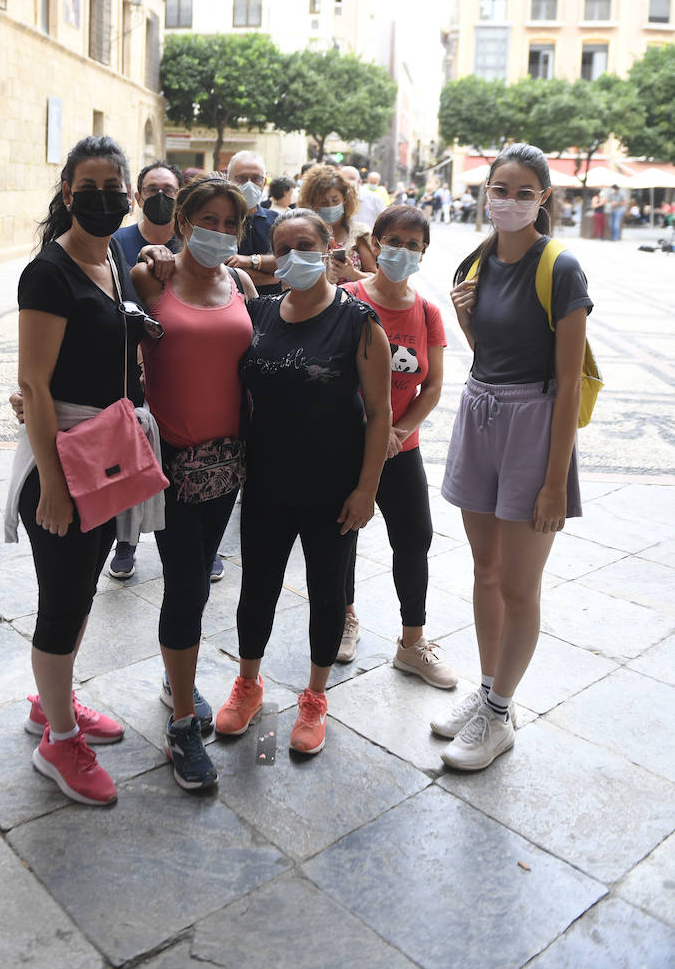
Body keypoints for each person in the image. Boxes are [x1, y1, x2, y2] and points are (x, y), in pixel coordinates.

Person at [4, 136, 164, 806]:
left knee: (82, 589)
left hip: (105, 453)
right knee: (63, 599)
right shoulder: (50, 272)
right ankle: (58, 742)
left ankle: (53, 703)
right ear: (67, 192)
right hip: (64, 462)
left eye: (114, 185)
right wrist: (55, 490)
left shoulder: (114, 259)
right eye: (88, 186)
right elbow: (34, 387)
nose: (104, 197)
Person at [435, 143, 592, 771]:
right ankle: (489, 690)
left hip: (534, 427)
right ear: (485, 191)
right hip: (481, 415)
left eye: (524, 192)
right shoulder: (474, 263)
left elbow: (570, 380)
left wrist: (554, 484)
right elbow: (490, 354)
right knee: (485, 571)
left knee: (521, 587)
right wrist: (467, 324)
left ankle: (499, 716)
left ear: (543, 199)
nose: (509, 201)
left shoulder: (561, 266)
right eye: (501, 189)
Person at [215, 209, 391, 756]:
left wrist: (366, 490)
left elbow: (381, 414)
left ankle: (315, 696)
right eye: (283, 248)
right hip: (267, 480)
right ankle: (248, 681)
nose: (294, 257)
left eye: (305, 245)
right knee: (257, 587)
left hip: (333, 487)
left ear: (329, 245)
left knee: (326, 592)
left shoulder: (359, 324)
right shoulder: (259, 312)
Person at [131, 176, 257, 789]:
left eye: (230, 223)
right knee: (184, 587)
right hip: (172, 464)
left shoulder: (240, 283)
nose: (219, 232)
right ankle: (182, 723)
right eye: (207, 219)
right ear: (180, 222)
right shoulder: (151, 278)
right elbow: (114, 347)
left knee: (203, 581)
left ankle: (172, 676)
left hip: (228, 464)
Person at [337, 206, 457, 685]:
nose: (402, 251)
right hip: (347, 445)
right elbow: (333, 377)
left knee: (414, 540)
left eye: (413, 244)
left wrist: (396, 432)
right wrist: (372, 429)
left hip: (401, 450)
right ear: (376, 243)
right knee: (342, 536)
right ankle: (344, 618)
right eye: (395, 240)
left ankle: (412, 642)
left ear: (423, 252)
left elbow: (432, 387)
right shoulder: (345, 299)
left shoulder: (427, 311)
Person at [107, 161, 183, 581]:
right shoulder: (116, 242)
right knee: (130, 455)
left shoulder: (194, 244)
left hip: (181, 370)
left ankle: (199, 547)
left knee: (180, 458)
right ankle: (126, 541)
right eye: (152, 189)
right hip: (127, 372)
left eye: (169, 190)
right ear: (137, 197)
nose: (161, 197)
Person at [297, 163, 376, 280]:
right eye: (323, 202)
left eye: (335, 200)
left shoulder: (359, 234)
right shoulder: (302, 234)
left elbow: (374, 277)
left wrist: (352, 273)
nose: (330, 206)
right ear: (313, 203)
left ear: (345, 199)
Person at [224, 151, 279, 294]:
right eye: (241, 178)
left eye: (256, 178)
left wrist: (249, 261)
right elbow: (222, 272)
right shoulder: (218, 222)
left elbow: (288, 264)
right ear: (228, 180)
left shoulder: (277, 220)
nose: (249, 184)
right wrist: (272, 275)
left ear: (264, 182)